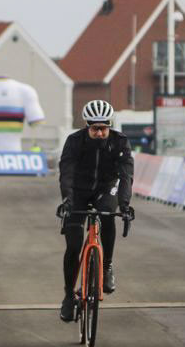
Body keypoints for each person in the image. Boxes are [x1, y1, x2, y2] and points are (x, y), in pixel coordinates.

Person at [57, 100, 135, 321]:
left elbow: (126, 176)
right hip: (78, 192)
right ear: (87, 126)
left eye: (104, 128)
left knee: (108, 217)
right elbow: (67, 173)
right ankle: (68, 296)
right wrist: (67, 200)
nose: (100, 133)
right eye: (95, 129)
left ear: (110, 125)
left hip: (105, 189)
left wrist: (126, 205)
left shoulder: (120, 142)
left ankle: (107, 266)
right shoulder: (74, 142)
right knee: (73, 246)